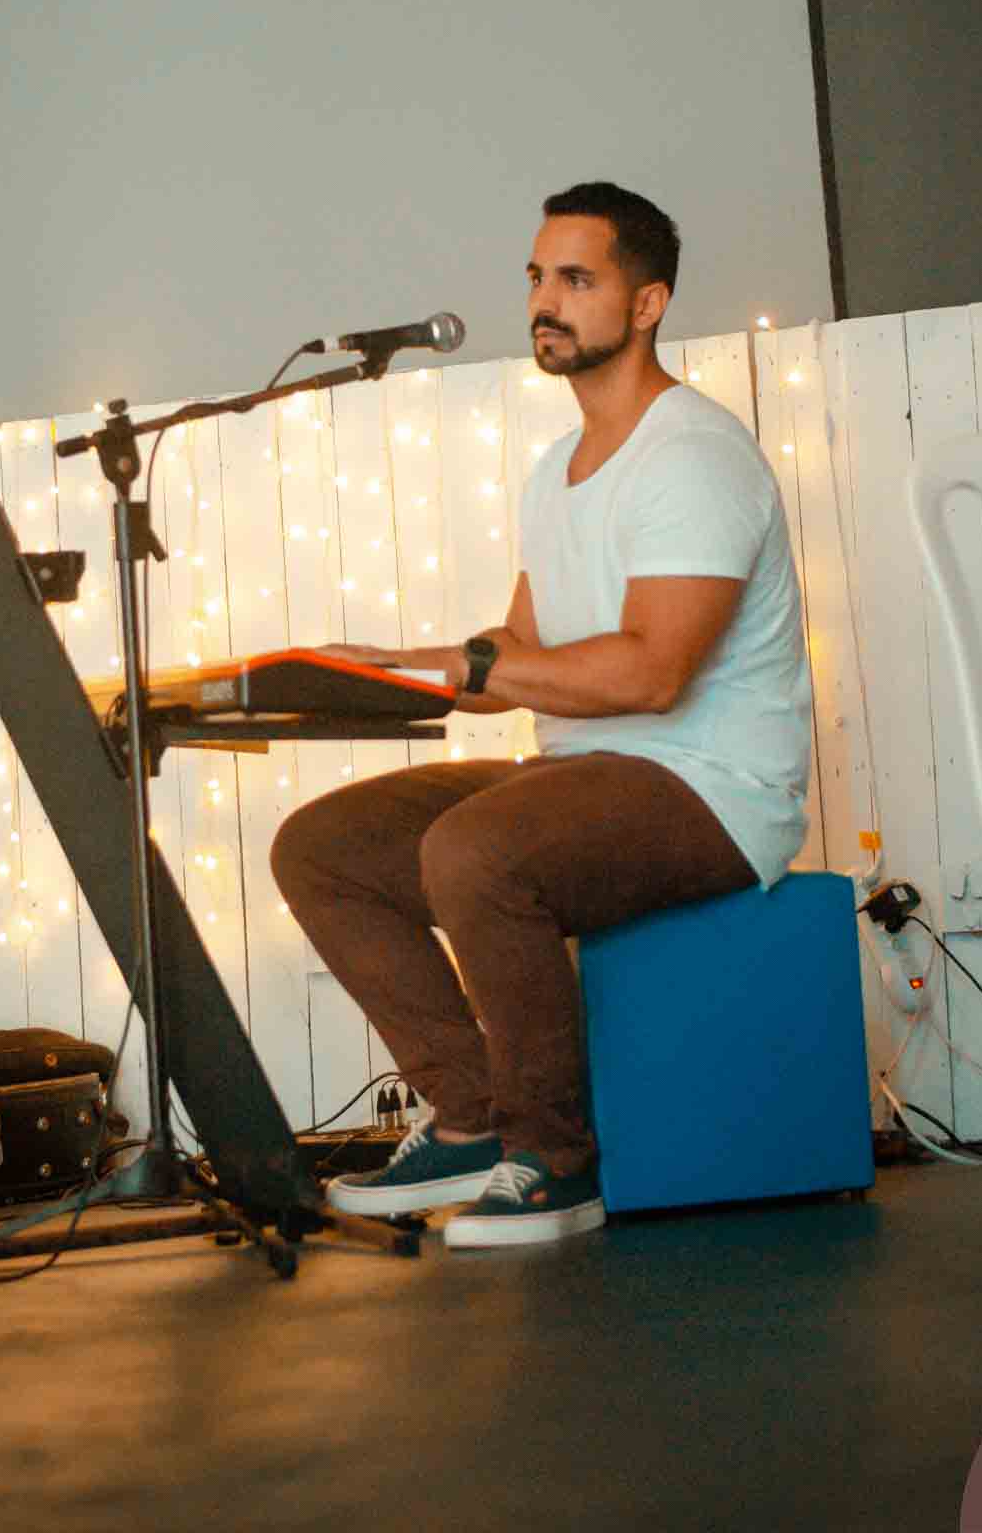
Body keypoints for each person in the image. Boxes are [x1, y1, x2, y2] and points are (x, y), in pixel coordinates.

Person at [270, 182, 812, 1249]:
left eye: (576, 278)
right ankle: (471, 1118)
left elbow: (652, 674)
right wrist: (387, 670)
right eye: (535, 276)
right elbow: (519, 655)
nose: (544, 301)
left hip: (714, 787)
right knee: (322, 846)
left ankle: (556, 1163)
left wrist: (473, 664)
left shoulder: (694, 454)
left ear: (647, 303)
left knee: (476, 848)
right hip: (582, 774)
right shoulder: (554, 470)